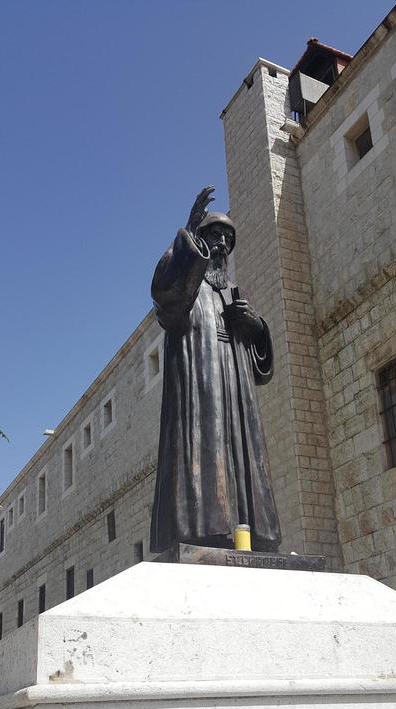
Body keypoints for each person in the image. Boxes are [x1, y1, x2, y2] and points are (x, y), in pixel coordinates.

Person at [150, 186, 281, 553]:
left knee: (241, 453)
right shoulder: (189, 291)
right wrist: (189, 235)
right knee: (203, 449)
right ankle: (205, 529)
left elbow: (262, 368)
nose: (222, 245)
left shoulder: (235, 295)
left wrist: (257, 326)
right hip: (200, 385)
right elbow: (165, 295)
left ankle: (249, 531)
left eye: (228, 239)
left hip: (236, 390)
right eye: (214, 237)